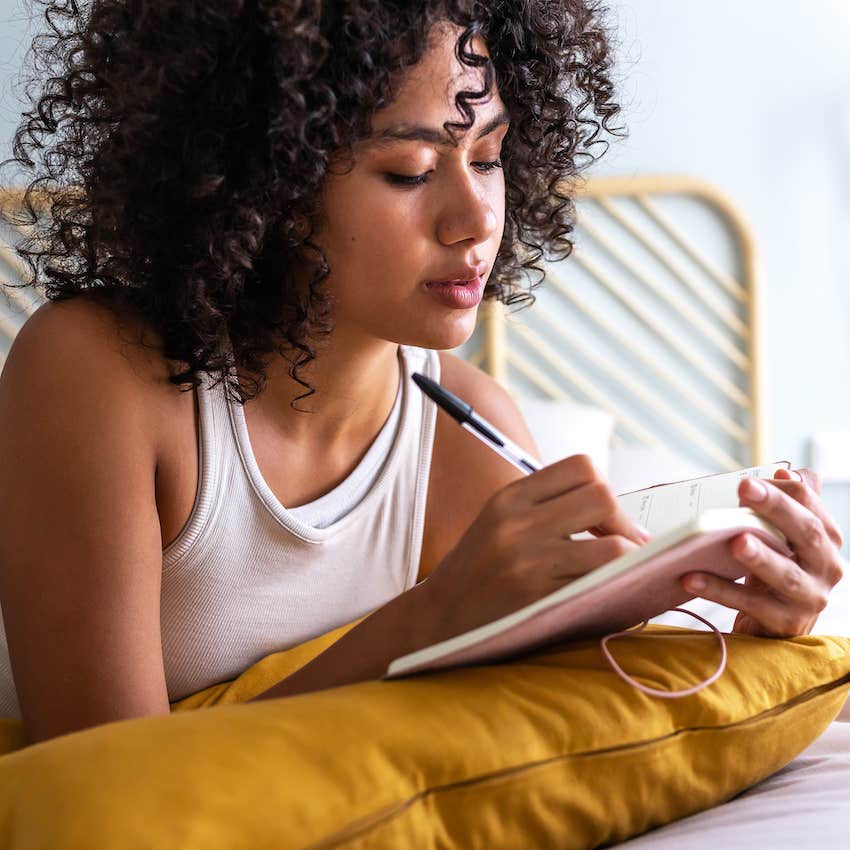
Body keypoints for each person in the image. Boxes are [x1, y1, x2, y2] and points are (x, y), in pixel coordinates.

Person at [0, 0, 843, 747]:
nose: (476, 219)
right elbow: (97, 778)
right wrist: (434, 617)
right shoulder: (98, 376)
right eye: (409, 171)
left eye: (489, 157)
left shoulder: (471, 435)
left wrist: (759, 625)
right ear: (271, 181)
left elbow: (580, 727)